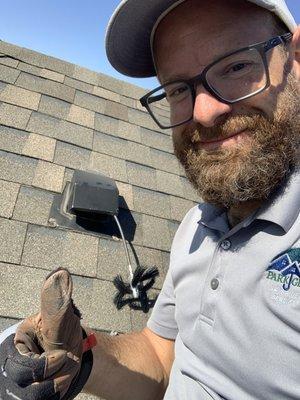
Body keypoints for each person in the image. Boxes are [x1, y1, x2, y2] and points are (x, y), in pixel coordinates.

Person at [0, 0, 299, 399]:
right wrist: (80, 356)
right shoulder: (196, 226)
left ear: (295, 59)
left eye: (236, 66)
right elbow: (162, 358)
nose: (205, 112)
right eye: (179, 88)